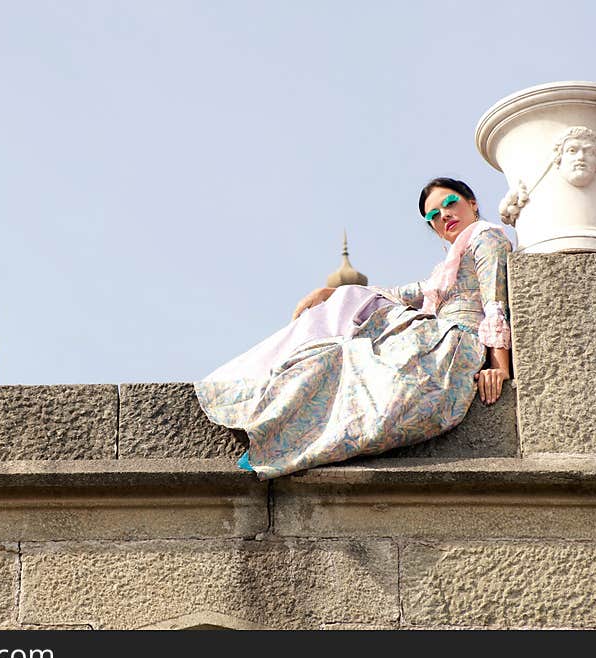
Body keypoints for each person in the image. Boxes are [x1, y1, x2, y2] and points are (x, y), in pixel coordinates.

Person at [194, 177, 513, 480]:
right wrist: (331, 293)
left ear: (472, 203)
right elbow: (405, 293)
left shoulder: (486, 236)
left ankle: (283, 445)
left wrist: (498, 367)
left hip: (455, 345)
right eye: (433, 214)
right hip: (437, 341)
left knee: (357, 367)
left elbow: (495, 302)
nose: (443, 215)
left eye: (450, 203)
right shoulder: (445, 270)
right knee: (339, 356)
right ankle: (278, 434)